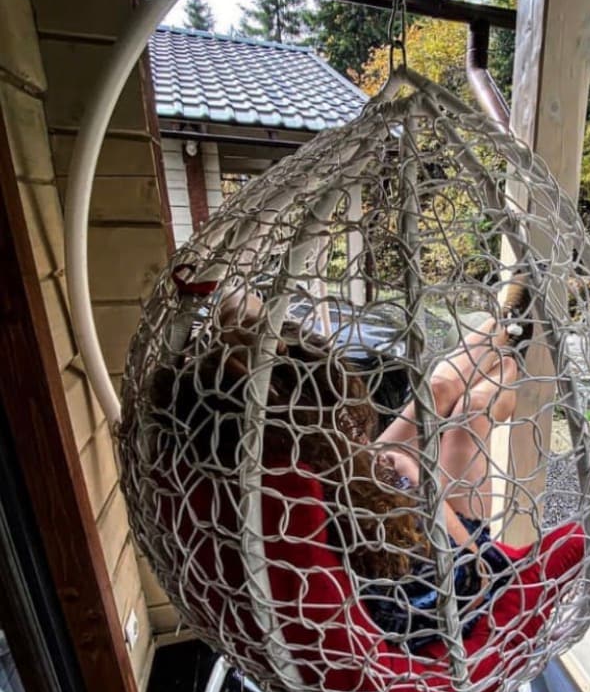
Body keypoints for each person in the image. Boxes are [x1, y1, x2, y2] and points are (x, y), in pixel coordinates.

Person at [148, 276, 537, 651]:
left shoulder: (255, 446)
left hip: (366, 496)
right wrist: (411, 475)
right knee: (470, 412)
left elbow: (358, 474)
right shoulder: (293, 488)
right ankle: (513, 353)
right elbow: (468, 571)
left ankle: (504, 328)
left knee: (435, 392)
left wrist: (379, 465)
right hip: (443, 575)